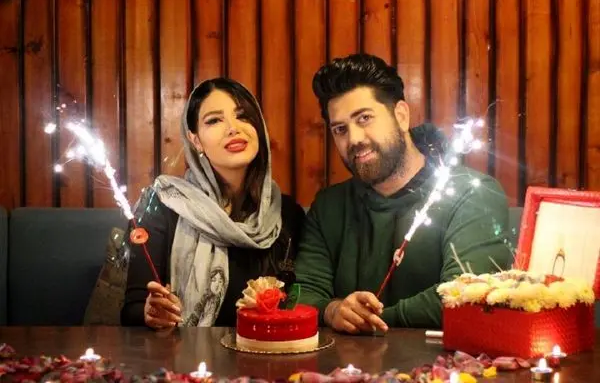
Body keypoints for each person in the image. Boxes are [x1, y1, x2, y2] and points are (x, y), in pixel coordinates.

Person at [295, 54, 513, 333]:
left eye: (364, 118)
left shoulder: (471, 194)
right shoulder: (329, 206)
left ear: (401, 115)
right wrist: (333, 310)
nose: (354, 139)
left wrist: (370, 321)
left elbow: (465, 295)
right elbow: (301, 295)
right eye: (340, 129)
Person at [121, 78, 305, 329]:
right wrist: (152, 313)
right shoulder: (162, 204)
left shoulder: (287, 213)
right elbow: (132, 309)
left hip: (268, 350)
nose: (233, 128)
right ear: (195, 140)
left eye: (243, 116)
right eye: (214, 120)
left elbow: (303, 303)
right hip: (183, 352)